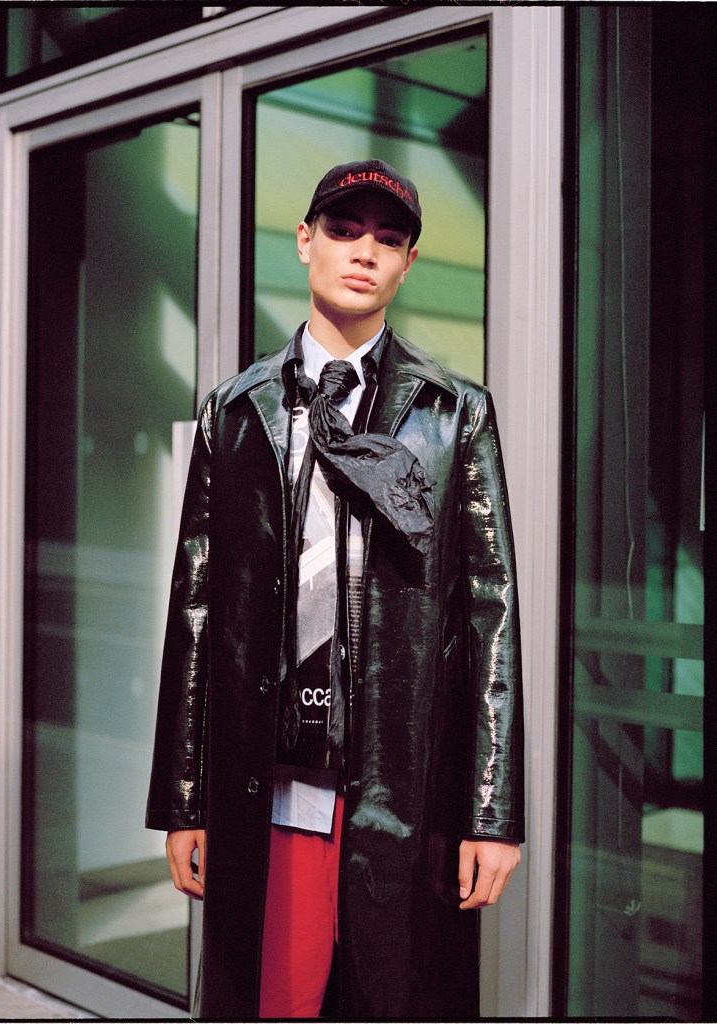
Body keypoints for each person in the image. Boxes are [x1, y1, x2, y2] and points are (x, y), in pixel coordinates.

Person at [146, 159, 524, 1020]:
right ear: (304, 240)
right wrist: (184, 800)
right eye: (344, 231)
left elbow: (489, 611)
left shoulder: (453, 412)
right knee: (272, 1000)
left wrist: (490, 812)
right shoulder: (235, 410)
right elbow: (195, 611)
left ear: (407, 264)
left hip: (400, 785)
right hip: (269, 781)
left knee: (392, 996)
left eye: (387, 240)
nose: (364, 252)